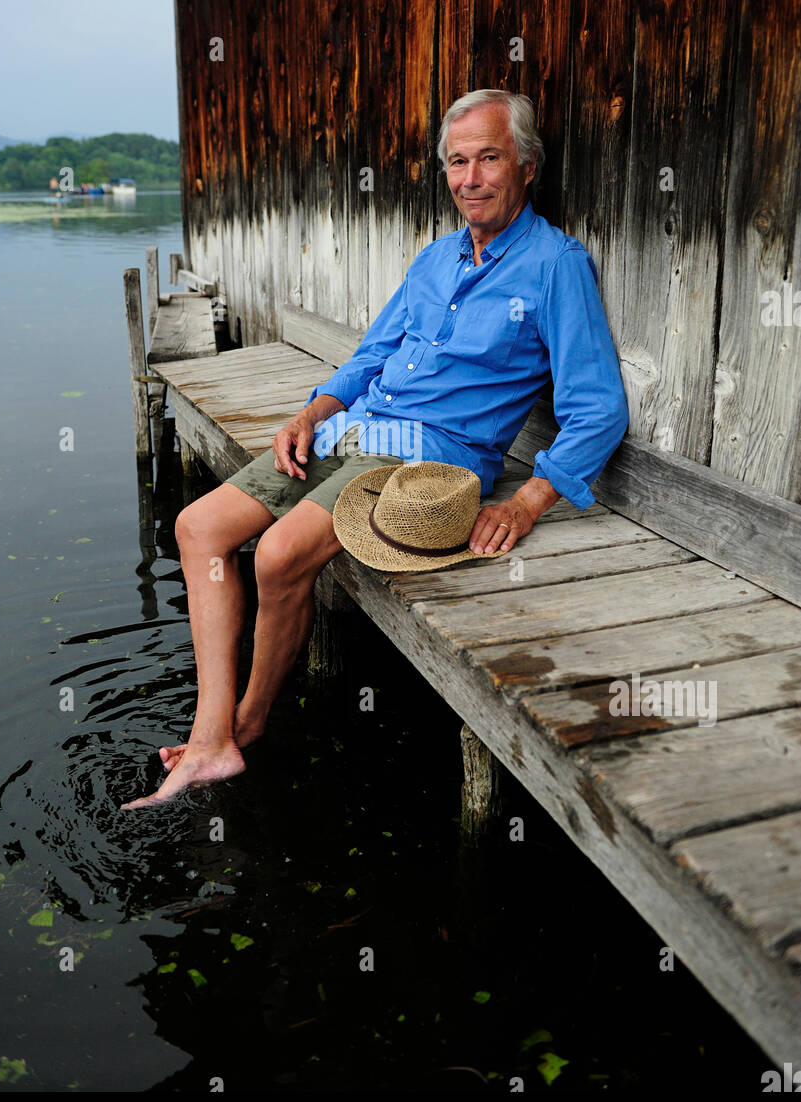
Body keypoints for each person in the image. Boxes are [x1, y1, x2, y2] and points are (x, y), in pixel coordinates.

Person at [120, 90, 628, 809]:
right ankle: (211, 736)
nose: (470, 178)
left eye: (488, 158)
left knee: (276, 554)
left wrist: (528, 500)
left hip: (427, 456)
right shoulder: (434, 258)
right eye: (457, 162)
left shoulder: (553, 266)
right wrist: (312, 410)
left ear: (527, 166)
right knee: (197, 527)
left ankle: (247, 725)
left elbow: (597, 408)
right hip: (353, 429)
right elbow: (369, 357)